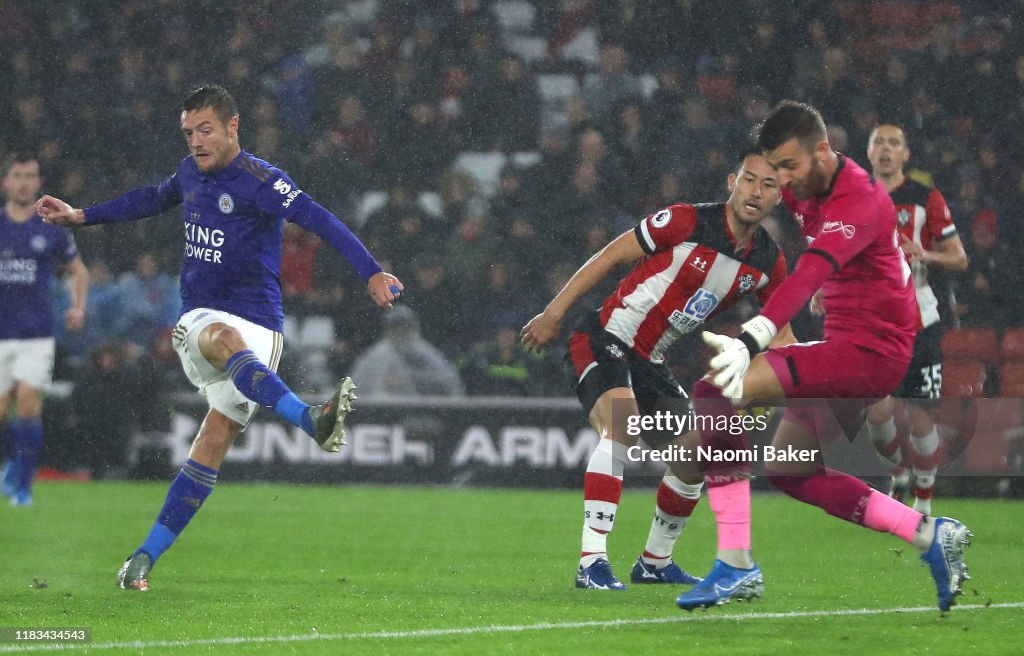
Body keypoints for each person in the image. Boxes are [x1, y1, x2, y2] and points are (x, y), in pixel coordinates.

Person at [36, 84, 403, 591]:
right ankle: (310, 418)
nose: (195, 141)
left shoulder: (261, 181)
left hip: (263, 328)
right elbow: (149, 199)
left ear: (233, 127)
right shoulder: (189, 173)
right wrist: (82, 215)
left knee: (211, 441)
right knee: (224, 337)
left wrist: (371, 271)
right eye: (188, 132)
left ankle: (143, 558)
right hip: (203, 320)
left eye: (205, 129)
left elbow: (320, 220)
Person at [677, 101, 971, 613]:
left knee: (714, 391)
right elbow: (831, 266)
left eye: (788, 168)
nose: (781, 181)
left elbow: (813, 267)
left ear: (822, 151)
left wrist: (753, 339)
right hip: (851, 345)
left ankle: (736, 562)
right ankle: (929, 534)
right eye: (775, 169)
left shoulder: (860, 197)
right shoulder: (805, 185)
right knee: (790, 470)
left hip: (867, 354)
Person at [521, 148, 791, 590]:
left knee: (702, 453)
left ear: (780, 197)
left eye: (768, 185)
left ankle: (655, 562)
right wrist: (554, 312)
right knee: (622, 424)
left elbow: (781, 337)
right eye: (748, 180)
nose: (754, 192)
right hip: (605, 336)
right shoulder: (686, 221)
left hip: (651, 359)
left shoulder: (768, 263)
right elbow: (610, 256)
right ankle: (591, 562)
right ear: (731, 182)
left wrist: (819, 374)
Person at [862, 124, 967, 516]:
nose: (886, 150)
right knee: (876, 414)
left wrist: (924, 253)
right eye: (879, 143)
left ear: (906, 154)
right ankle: (897, 474)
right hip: (871, 323)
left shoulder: (926, 198)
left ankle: (923, 504)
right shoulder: (856, 198)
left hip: (919, 320)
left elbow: (959, 257)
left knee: (919, 413)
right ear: (869, 153)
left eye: (894, 144)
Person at [0, 153, 88, 507]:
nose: (23, 182)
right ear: (6, 182)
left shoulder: (48, 228)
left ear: (38, 183)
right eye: (17, 175)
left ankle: (23, 485)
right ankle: (14, 465)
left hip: (36, 333)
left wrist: (77, 307)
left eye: (30, 176)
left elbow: (78, 270)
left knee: (27, 405)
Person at [349, 306, 465, 397]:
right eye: (395, 326)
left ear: (413, 327)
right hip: (379, 417)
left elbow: (450, 383)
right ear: (388, 329)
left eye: (405, 325)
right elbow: (356, 386)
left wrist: (409, 377)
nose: (400, 331)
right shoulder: (378, 355)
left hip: (422, 413)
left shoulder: (425, 352)